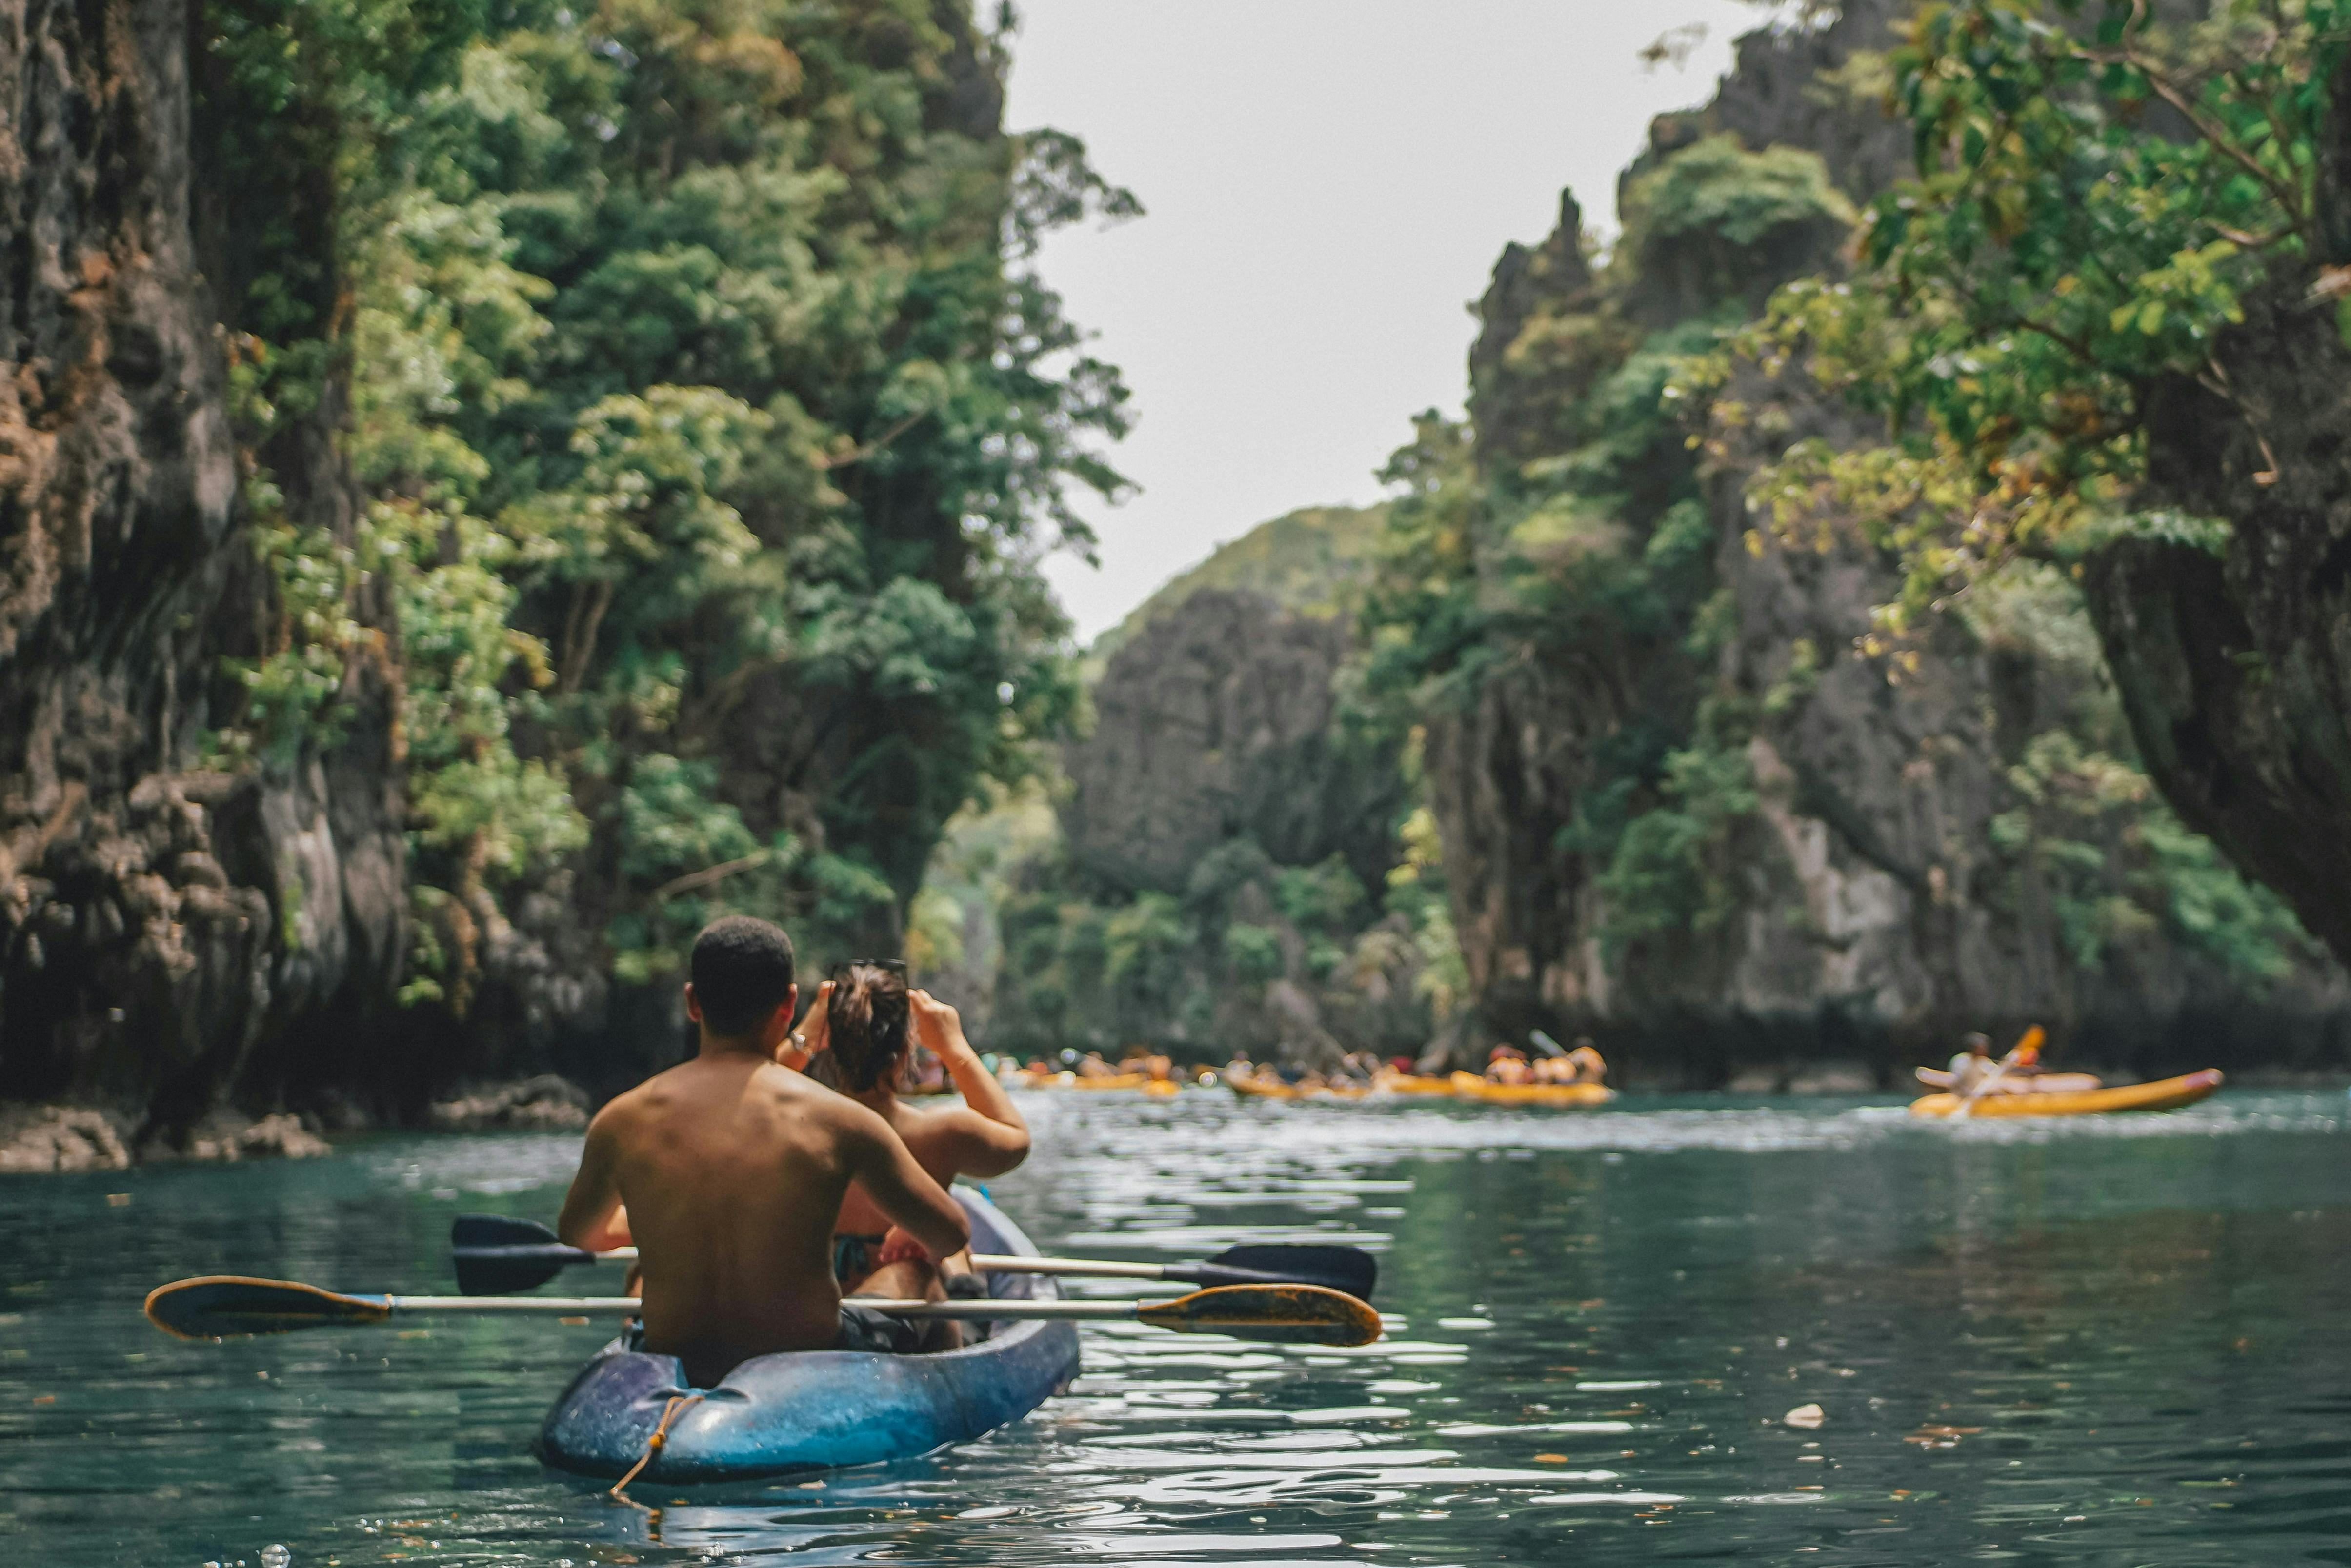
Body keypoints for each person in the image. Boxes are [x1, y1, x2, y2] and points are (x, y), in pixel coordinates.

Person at [556, 917, 969, 1389]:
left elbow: (580, 1233)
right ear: (789, 1004)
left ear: (693, 1002)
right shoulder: (839, 1119)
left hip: (676, 1355)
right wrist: (909, 1241)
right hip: (809, 1355)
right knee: (915, 1272)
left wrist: (653, 1219)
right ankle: (940, 1403)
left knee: (641, 1268)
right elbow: (951, 1232)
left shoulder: (620, 1120)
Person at [793, 960, 1031, 1346]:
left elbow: (749, 1088)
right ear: (907, 1049)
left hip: (826, 1318)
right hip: (913, 1325)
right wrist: (955, 1047)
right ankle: (959, 1278)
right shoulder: (940, 1130)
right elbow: (1016, 1141)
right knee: (950, 1257)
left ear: (828, 1046)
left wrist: (803, 1036)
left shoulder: (795, 1126)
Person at [1947, 1032, 1998, 1096]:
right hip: (1963, 1096)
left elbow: (1998, 1073)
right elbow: (1959, 1081)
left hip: (1981, 1096)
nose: (1985, 1050)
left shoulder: (1984, 1061)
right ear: (1973, 1048)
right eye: (1981, 1048)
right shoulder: (1961, 1060)